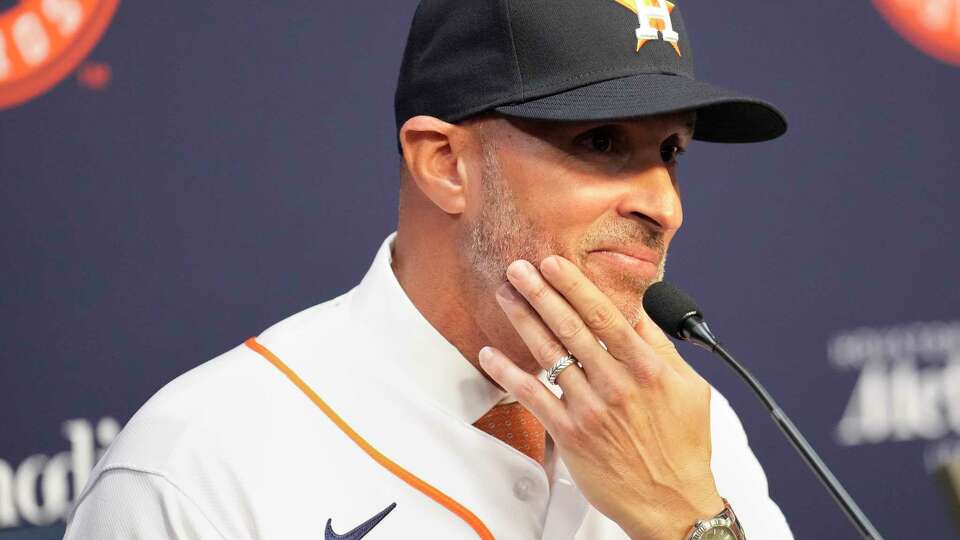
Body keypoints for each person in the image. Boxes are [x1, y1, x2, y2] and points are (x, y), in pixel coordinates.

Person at [65, 1, 794, 538]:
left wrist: (689, 521)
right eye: (602, 141)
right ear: (446, 163)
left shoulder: (685, 422)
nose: (665, 205)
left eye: (671, 151)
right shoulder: (197, 466)